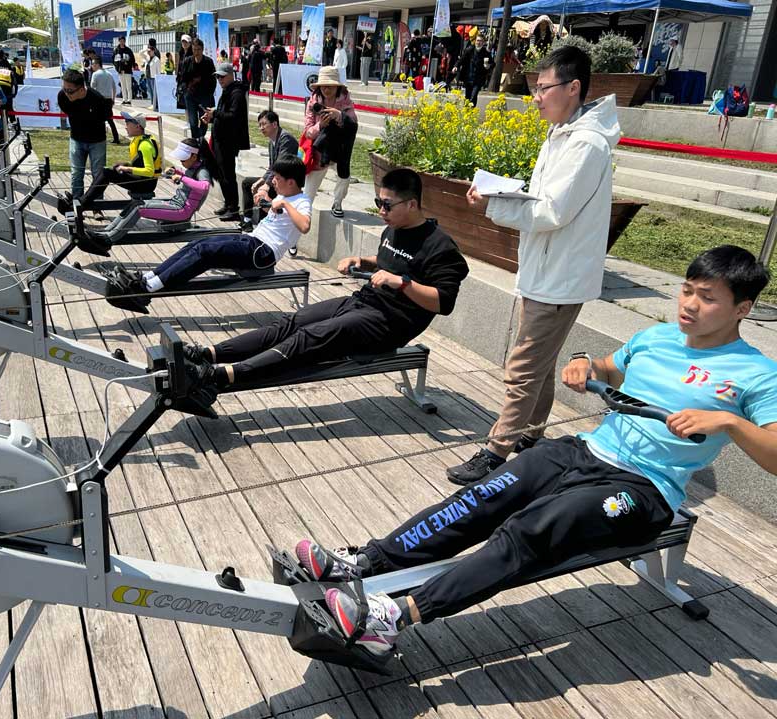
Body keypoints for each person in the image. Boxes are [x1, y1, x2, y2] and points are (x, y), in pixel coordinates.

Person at [289, 244, 776, 658]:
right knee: (479, 499)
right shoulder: (657, 337)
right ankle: (365, 564)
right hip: (584, 450)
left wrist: (730, 422)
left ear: (743, 308)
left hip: (645, 488)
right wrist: (585, 364)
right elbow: (609, 366)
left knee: (532, 528)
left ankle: (391, 617)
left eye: (707, 298)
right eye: (687, 290)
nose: (689, 305)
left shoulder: (755, 373)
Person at [447, 45, 621, 484]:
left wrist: (494, 206)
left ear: (573, 87)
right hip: (545, 270)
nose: (537, 97)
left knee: (523, 367)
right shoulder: (562, 133)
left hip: (558, 277)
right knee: (539, 362)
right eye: (536, 88)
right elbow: (545, 199)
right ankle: (530, 433)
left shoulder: (586, 144)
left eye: (544, 88)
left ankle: (496, 451)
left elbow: (553, 211)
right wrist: (501, 193)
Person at [182, 168, 468, 396]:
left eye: (387, 205)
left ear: (412, 204)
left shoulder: (441, 248)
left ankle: (221, 376)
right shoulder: (394, 227)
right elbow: (393, 261)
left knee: (312, 336)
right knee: (291, 322)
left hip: (390, 324)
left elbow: (443, 303)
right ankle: (209, 354)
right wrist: (363, 260)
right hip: (363, 302)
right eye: (378, 203)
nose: (381, 211)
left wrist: (402, 283)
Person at [104, 155, 311, 313]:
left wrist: (283, 204)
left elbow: (304, 225)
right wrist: (265, 200)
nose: (273, 181)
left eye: (277, 178)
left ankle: (147, 290)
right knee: (198, 243)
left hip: (263, 253)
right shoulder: (283, 196)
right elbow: (277, 213)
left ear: (291, 182)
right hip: (251, 241)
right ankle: (148, 278)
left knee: (205, 252)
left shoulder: (301, 201)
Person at [78, 137, 218, 255]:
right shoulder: (193, 167)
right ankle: (105, 232)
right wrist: (177, 173)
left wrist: (182, 178)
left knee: (139, 209)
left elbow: (204, 187)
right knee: (135, 203)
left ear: (194, 156)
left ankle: (108, 240)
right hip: (175, 204)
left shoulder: (202, 171)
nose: (181, 162)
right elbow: (190, 181)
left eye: (183, 159)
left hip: (182, 211)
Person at [62, 110, 160, 213]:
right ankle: (81, 201)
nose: (125, 127)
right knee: (108, 170)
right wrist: (125, 165)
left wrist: (127, 168)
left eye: (127, 123)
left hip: (145, 185)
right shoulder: (140, 140)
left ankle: (81, 204)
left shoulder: (145, 145)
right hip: (142, 180)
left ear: (137, 126)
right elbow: (140, 164)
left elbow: (149, 171)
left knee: (107, 173)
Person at [302, 66, 358, 218]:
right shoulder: (313, 103)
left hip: (340, 149)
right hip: (320, 150)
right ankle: (304, 215)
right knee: (309, 190)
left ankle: (337, 202)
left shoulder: (346, 101)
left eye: (330, 86)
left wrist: (339, 115)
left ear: (337, 87)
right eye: (323, 86)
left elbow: (353, 123)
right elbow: (308, 132)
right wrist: (321, 125)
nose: (326, 89)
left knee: (343, 177)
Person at [202, 61, 248, 221]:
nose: (219, 80)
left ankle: (233, 208)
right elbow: (224, 114)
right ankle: (228, 204)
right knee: (221, 174)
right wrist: (212, 116)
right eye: (217, 77)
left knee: (228, 175)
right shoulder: (228, 91)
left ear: (230, 75)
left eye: (222, 77)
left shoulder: (237, 93)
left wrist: (215, 114)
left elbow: (233, 117)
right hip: (220, 139)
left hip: (228, 141)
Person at [240, 109, 298, 229]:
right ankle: (247, 220)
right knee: (248, 183)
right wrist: (261, 181)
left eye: (264, 124)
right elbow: (272, 166)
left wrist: (266, 185)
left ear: (274, 124)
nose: (261, 128)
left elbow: (280, 166)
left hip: (287, 181)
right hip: (277, 178)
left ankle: (263, 225)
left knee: (265, 191)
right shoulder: (271, 141)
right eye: (259, 125)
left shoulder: (286, 139)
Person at [57, 68, 107, 201]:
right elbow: (67, 110)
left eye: (70, 91)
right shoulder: (62, 97)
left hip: (97, 141)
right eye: (64, 89)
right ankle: (77, 203)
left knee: (98, 175)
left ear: (81, 89)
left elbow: (106, 116)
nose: (66, 93)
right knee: (76, 173)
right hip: (76, 139)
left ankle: (97, 204)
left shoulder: (97, 99)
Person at [180, 38, 216, 142]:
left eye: (198, 49)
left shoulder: (208, 62)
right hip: (190, 96)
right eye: (194, 49)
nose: (196, 52)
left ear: (202, 49)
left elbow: (213, 80)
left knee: (204, 119)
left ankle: (200, 138)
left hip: (204, 96)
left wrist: (209, 94)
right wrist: (185, 90)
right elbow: (183, 78)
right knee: (193, 121)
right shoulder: (187, 61)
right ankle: (196, 140)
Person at [89, 56, 120, 144]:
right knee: (110, 120)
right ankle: (116, 138)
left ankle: (98, 137)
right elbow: (114, 87)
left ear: (97, 64)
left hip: (99, 100)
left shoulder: (95, 74)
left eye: (93, 64)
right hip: (108, 100)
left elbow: (92, 88)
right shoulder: (109, 74)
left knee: (97, 120)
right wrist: (113, 99)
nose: (92, 66)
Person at [458, 34, 493, 106]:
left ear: (483, 43)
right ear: (475, 41)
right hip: (468, 77)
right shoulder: (469, 50)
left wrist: (488, 66)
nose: (478, 42)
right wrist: (456, 66)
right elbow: (461, 60)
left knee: (473, 96)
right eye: (477, 40)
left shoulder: (486, 53)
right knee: (467, 97)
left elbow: (493, 63)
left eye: (480, 41)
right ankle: (466, 110)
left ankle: (472, 111)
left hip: (478, 79)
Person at [0, 50, 16, 119]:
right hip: (8, 87)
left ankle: (4, 121)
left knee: (1, 106)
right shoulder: (7, 63)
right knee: (9, 106)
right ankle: (13, 121)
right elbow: (12, 75)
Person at [114, 37, 136, 105]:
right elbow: (114, 60)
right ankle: (124, 99)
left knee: (128, 86)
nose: (122, 42)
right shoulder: (116, 50)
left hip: (128, 70)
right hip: (120, 71)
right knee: (123, 86)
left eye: (123, 41)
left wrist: (132, 65)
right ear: (119, 41)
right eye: (120, 41)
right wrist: (117, 69)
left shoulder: (128, 50)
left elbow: (132, 59)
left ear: (125, 41)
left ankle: (129, 100)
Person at [144, 43, 161, 110]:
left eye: (150, 51)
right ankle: (152, 103)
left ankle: (156, 104)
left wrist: (158, 78)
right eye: (148, 51)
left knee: (154, 92)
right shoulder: (147, 58)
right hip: (148, 77)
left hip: (154, 78)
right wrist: (146, 49)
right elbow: (140, 53)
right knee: (150, 91)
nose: (149, 52)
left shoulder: (156, 59)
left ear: (153, 51)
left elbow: (158, 70)